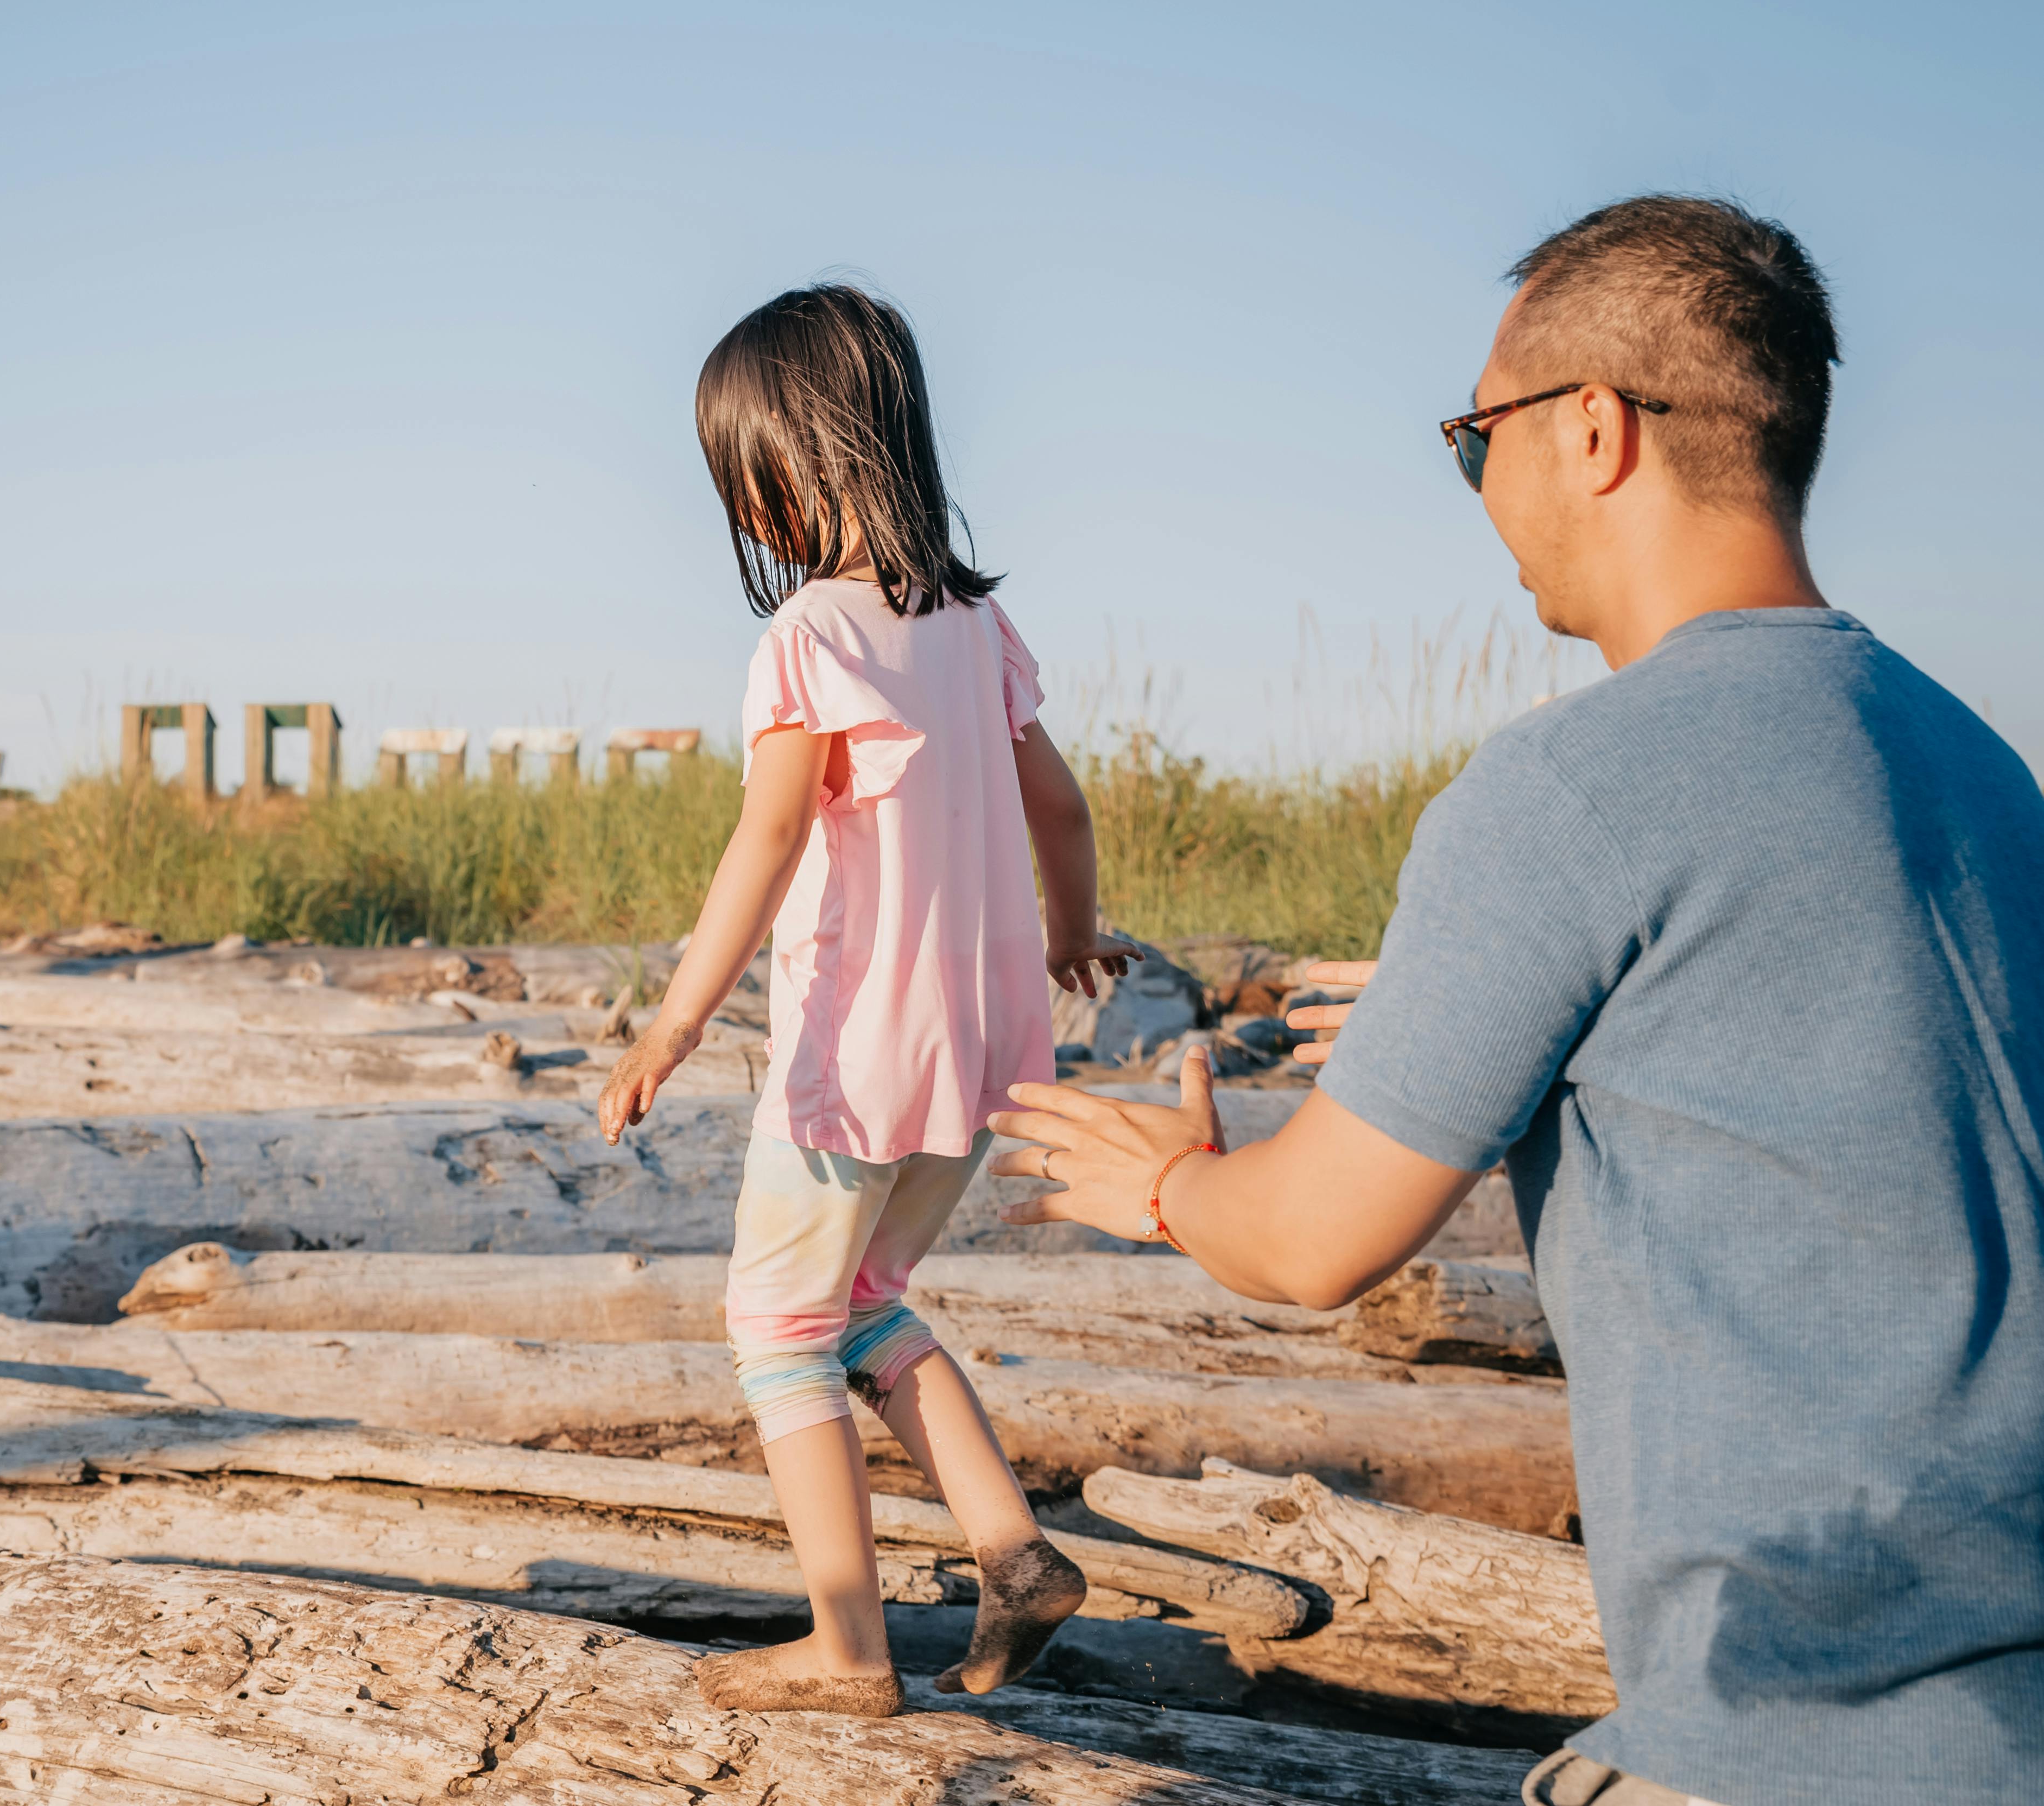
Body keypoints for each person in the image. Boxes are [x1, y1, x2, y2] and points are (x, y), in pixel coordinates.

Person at [989, 196, 2044, 1805]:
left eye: (1475, 436)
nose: (1477, 483)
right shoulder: (1981, 764)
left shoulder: (1572, 785)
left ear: (1594, 430)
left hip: (1785, 1732)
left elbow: (1312, 1239)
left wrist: (1167, 1181)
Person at [594, 282, 1141, 1716]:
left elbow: (767, 836)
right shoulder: (974, 629)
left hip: (858, 1061)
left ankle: (845, 1649)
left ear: (800, 455)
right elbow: (1062, 809)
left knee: (775, 1323)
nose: (744, 511)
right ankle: (1010, 1545)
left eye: (741, 478)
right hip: (977, 1054)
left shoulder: (809, 638)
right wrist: (1073, 936)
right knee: (864, 1298)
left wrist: (670, 1021)